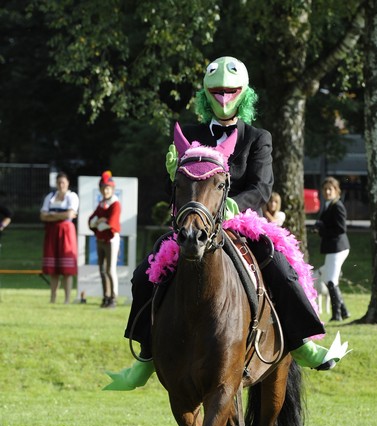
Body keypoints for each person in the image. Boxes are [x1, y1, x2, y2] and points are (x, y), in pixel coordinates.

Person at [105, 56, 349, 391]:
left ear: (243, 93)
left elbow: (262, 185)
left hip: (242, 223)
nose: (223, 97)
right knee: (143, 273)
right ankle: (146, 356)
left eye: (229, 91)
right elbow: (175, 189)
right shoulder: (187, 134)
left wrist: (233, 206)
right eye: (216, 91)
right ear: (206, 94)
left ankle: (301, 342)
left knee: (279, 264)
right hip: (196, 222)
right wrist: (172, 173)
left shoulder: (257, 137)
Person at [314, 176, 350, 321]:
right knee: (327, 277)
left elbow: (341, 229)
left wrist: (322, 229)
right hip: (333, 248)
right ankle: (344, 311)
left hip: (338, 247)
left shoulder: (337, 206)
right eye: (326, 189)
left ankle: (337, 315)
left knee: (330, 280)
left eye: (331, 189)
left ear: (336, 191)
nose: (328, 192)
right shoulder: (329, 205)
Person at [40, 172, 79, 304]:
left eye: (63, 182)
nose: (61, 185)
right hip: (52, 233)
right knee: (54, 269)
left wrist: (52, 215)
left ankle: (67, 299)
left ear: (67, 183)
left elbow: (70, 214)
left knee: (66, 269)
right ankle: (53, 298)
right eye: (59, 182)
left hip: (66, 233)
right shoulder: (50, 197)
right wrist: (62, 215)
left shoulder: (72, 196)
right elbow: (42, 216)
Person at [88, 171, 121, 308]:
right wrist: (99, 221)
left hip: (111, 240)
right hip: (100, 240)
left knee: (110, 269)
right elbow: (91, 221)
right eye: (103, 188)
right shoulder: (102, 204)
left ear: (112, 189)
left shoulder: (115, 204)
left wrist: (100, 222)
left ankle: (113, 297)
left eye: (108, 188)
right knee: (102, 270)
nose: (105, 191)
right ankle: (105, 296)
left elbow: (111, 223)